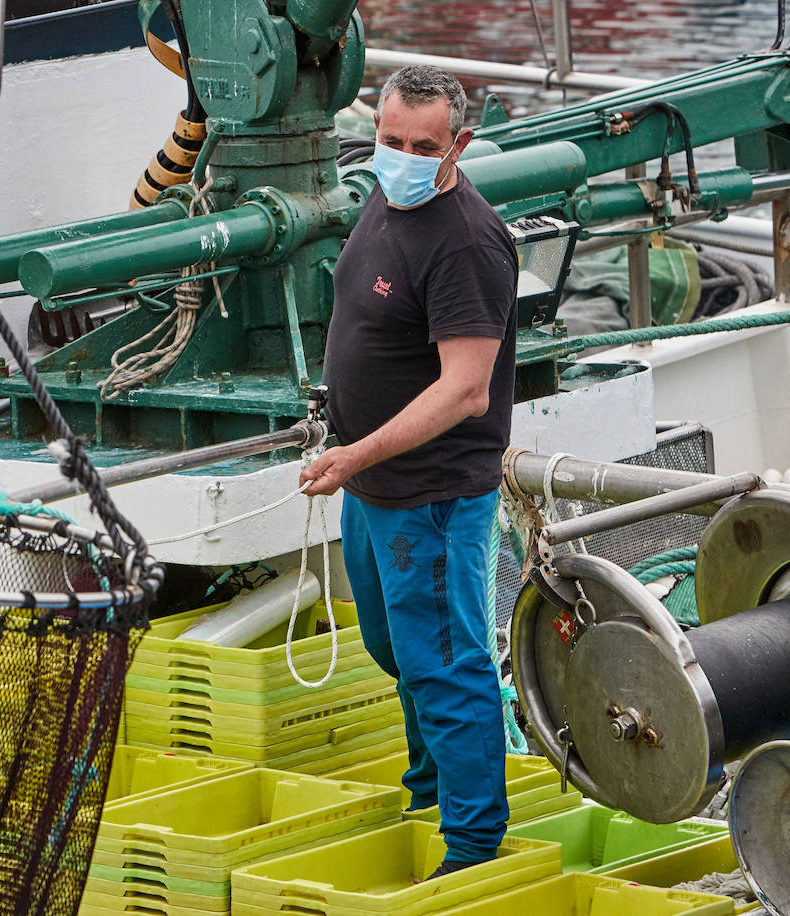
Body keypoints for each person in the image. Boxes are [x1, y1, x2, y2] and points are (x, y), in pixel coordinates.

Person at [298, 64, 518, 879]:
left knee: (445, 663)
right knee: (394, 649)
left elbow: (465, 389)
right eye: (390, 140)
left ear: (458, 144)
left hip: (430, 496)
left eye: (422, 147)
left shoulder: (465, 241)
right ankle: (428, 790)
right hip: (372, 489)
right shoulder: (385, 199)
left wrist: (357, 451)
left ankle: (471, 844)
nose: (401, 156)